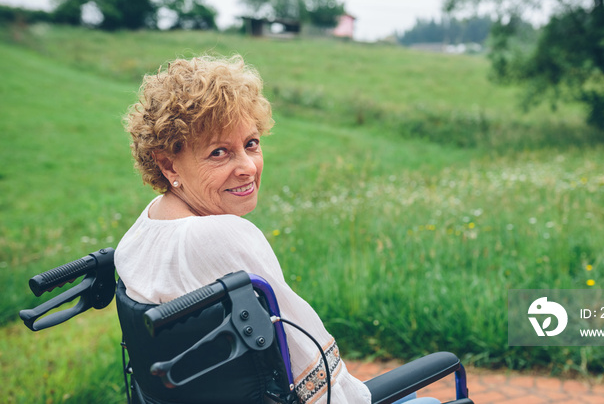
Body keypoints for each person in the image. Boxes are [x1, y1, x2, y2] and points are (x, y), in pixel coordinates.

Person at [116, 55, 440, 404]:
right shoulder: (220, 237)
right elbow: (310, 364)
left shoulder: (140, 234)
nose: (247, 167)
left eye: (251, 144)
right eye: (219, 152)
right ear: (168, 163)